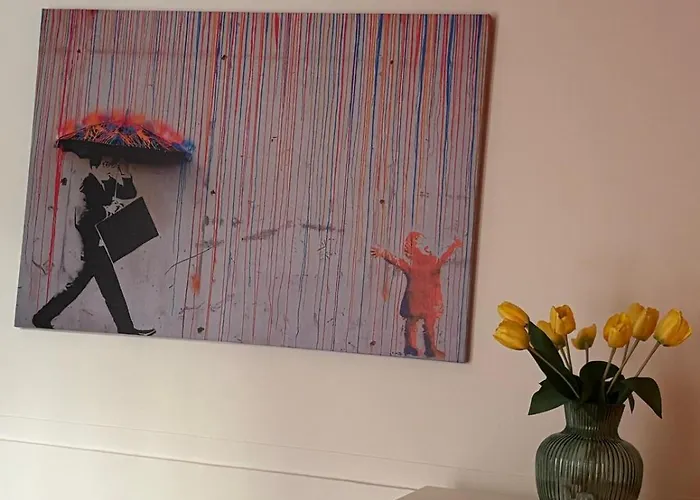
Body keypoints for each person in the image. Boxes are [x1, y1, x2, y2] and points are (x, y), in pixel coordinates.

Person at [32, 158, 155, 336]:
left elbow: (129, 193)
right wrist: (107, 210)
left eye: (112, 165)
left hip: (100, 246)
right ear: (94, 166)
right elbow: (81, 217)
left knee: (105, 290)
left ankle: (43, 318)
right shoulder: (87, 184)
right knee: (85, 289)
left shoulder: (109, 182)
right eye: (106, 165)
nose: (110, 168)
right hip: (90, 247)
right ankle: (42, 318)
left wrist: (125, 174)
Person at [370, 232, 463, 360]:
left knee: (416, 325)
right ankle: (424, 349)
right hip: (428, 301)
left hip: (417, 300)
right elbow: (444, 256)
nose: (427, 247)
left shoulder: (416, 263)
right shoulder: (432, 262)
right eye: (421, 244)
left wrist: (383, 252)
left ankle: (417, 348)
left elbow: (396, 260)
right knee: (423, 325)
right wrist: (454, 246)